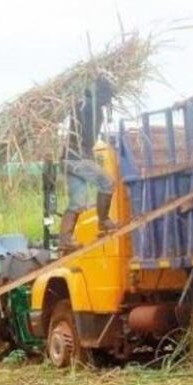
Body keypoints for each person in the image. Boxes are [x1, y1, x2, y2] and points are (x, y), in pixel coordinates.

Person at [59, 75, 118, 252]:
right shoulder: (86, 105)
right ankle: (104, 221)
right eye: (107, 97)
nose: (108, 101)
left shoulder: (92, 108)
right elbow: (83, 101)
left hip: (69, 158)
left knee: (77, 203)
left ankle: (65, 240)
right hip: (77, 158)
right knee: (107, 183)